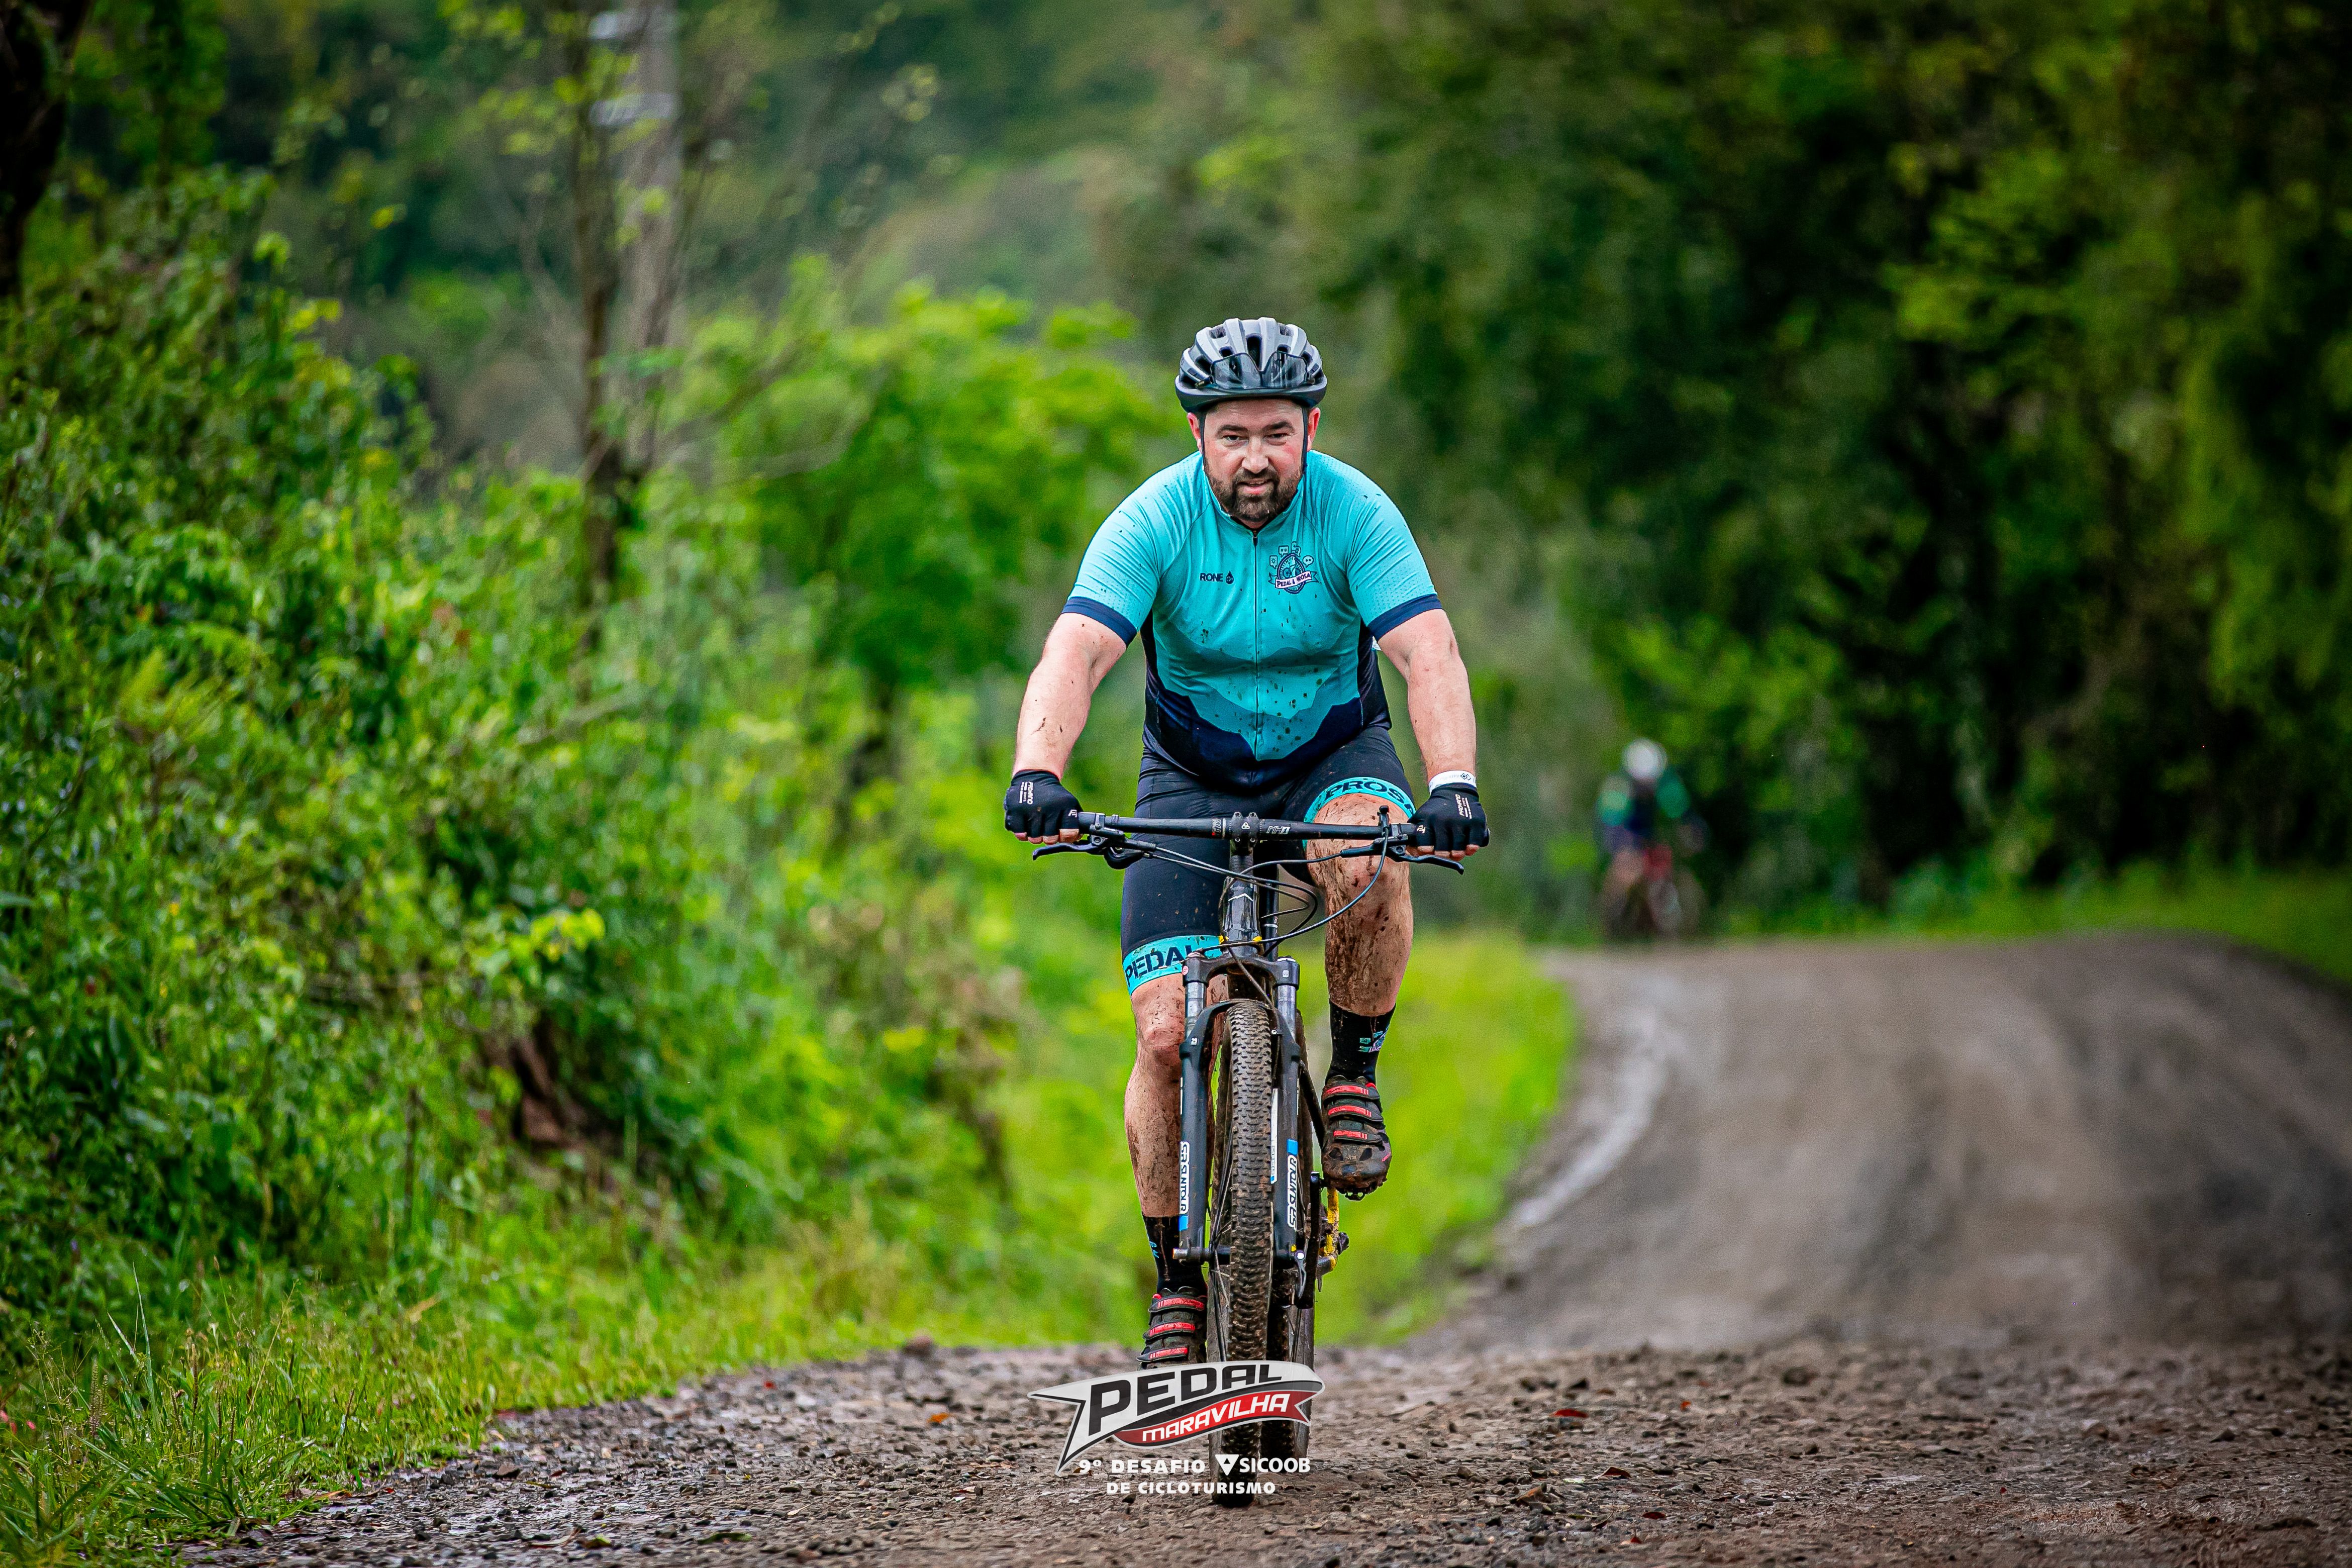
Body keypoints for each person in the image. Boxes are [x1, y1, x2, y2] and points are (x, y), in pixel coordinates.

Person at [1002, 317, 1489, 1368]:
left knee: (1369, 853)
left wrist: (1453, 781)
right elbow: (1077, 651)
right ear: (1198, 436)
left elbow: (1428, 652)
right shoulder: (1154, 520)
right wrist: (1038, 768)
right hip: (1190, 778)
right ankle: (1178, 1284)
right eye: (1233, 436)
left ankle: (1351, 1076)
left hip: (1333, 757)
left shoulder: (1356, 512)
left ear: (1312, 427)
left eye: (1276, 432)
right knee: (1164, 1037)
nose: (1256, 458)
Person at [1596, 738, 1701, 928]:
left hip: (1651, 831)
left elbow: (1683, 813)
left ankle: (1666, 915)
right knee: (1625, 872)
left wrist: (1693, 833)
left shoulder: (1666, 782)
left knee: (1663, 863)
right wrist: (1622, 851)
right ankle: (1614, 917)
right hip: (1625, 831)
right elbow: (1611, 824)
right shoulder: (1618, 787)